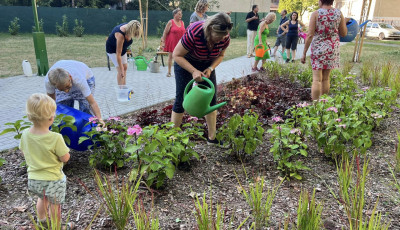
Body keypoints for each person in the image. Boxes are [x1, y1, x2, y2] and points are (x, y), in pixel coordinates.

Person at [172, 12, 231, 145]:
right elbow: (177, 55)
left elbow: (221, 55)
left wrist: (210, 68)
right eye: (218, 37)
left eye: (223, 37)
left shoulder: (225, 37)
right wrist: (193, 71)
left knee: (211, 101)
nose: (220, 40)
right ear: (210, 29)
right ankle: (172, 138)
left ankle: (212, 138)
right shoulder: (195, 32)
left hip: (206, 65)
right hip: (185, 62)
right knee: (181, 99)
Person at [19, 93, 74, 229]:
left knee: (42, 199)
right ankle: (56, 227)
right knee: (55, 204)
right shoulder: (55, 138)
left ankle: (42, 221)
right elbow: (65, 158)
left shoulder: (25, 134)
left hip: (34, 178)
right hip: (53, 179)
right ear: (51, 118)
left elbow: (23, 151)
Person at [301, 0, 347, 100]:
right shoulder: (339, 14)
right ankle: (323, 104)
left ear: (321, 1)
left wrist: (304, 53)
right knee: (326, 79)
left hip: (318, 49)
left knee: (317, 80)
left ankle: (315, 106)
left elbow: (309, 35)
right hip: (332, 49)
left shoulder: (316, 14)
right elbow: (343, 33)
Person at [45, 60, 104, 125]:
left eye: (67, 87)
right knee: (63, 110)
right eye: (62, 90)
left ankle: (87, 131)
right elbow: (51, 102)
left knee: (86, 110)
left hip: (86, 78)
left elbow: (92, 103)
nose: (67, 91)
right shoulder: (49, 82)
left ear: (70, 77)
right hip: (63, 81)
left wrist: (100, 119)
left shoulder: (79, 79)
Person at [106, 20, 142, 85]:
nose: (135, 35)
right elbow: (118, 54)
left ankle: (124, 87)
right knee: (120, 70)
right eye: (135, 33)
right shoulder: (120, 34)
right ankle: (121, 90)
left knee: (125, 67)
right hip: (112, 50)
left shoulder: (130, 27)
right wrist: (121, 68)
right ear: (131, 30)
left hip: (122, 49)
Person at [161, 8, 186, 77]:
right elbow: (165, 33)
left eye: (181, 14)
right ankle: (169, 72)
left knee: (181, 57)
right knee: (170, 57)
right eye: (179, 14)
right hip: (172, 43)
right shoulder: (170, 22)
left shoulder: (182, 22)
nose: (181, 15)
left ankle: (180, 71)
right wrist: (163, 42)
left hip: (180, 43)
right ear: (174, 14)